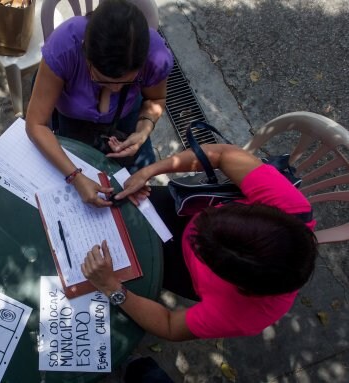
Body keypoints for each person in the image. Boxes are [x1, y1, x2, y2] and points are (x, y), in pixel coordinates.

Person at [81, 144, 317, 340]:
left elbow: (170, 325)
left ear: (233, 281)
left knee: (115, 276)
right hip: (181, 213)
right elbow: (223, 155)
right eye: (218, 213)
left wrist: (113, 288)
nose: (197, 229)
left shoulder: (247, 314)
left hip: (180, 269)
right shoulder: (289, 206)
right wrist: (149, 171)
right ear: (261, 210)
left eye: (201, 249)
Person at [26, 0, 173, 207]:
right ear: (86, 54)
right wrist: (75, 177)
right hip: (72, 119)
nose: (115, 90)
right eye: (102, 79)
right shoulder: (64, 45)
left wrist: (142, 131)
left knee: (135, 190)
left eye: (126, 82)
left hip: (126, 118)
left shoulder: (155, 55)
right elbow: (36, 124)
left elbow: (155, 99)